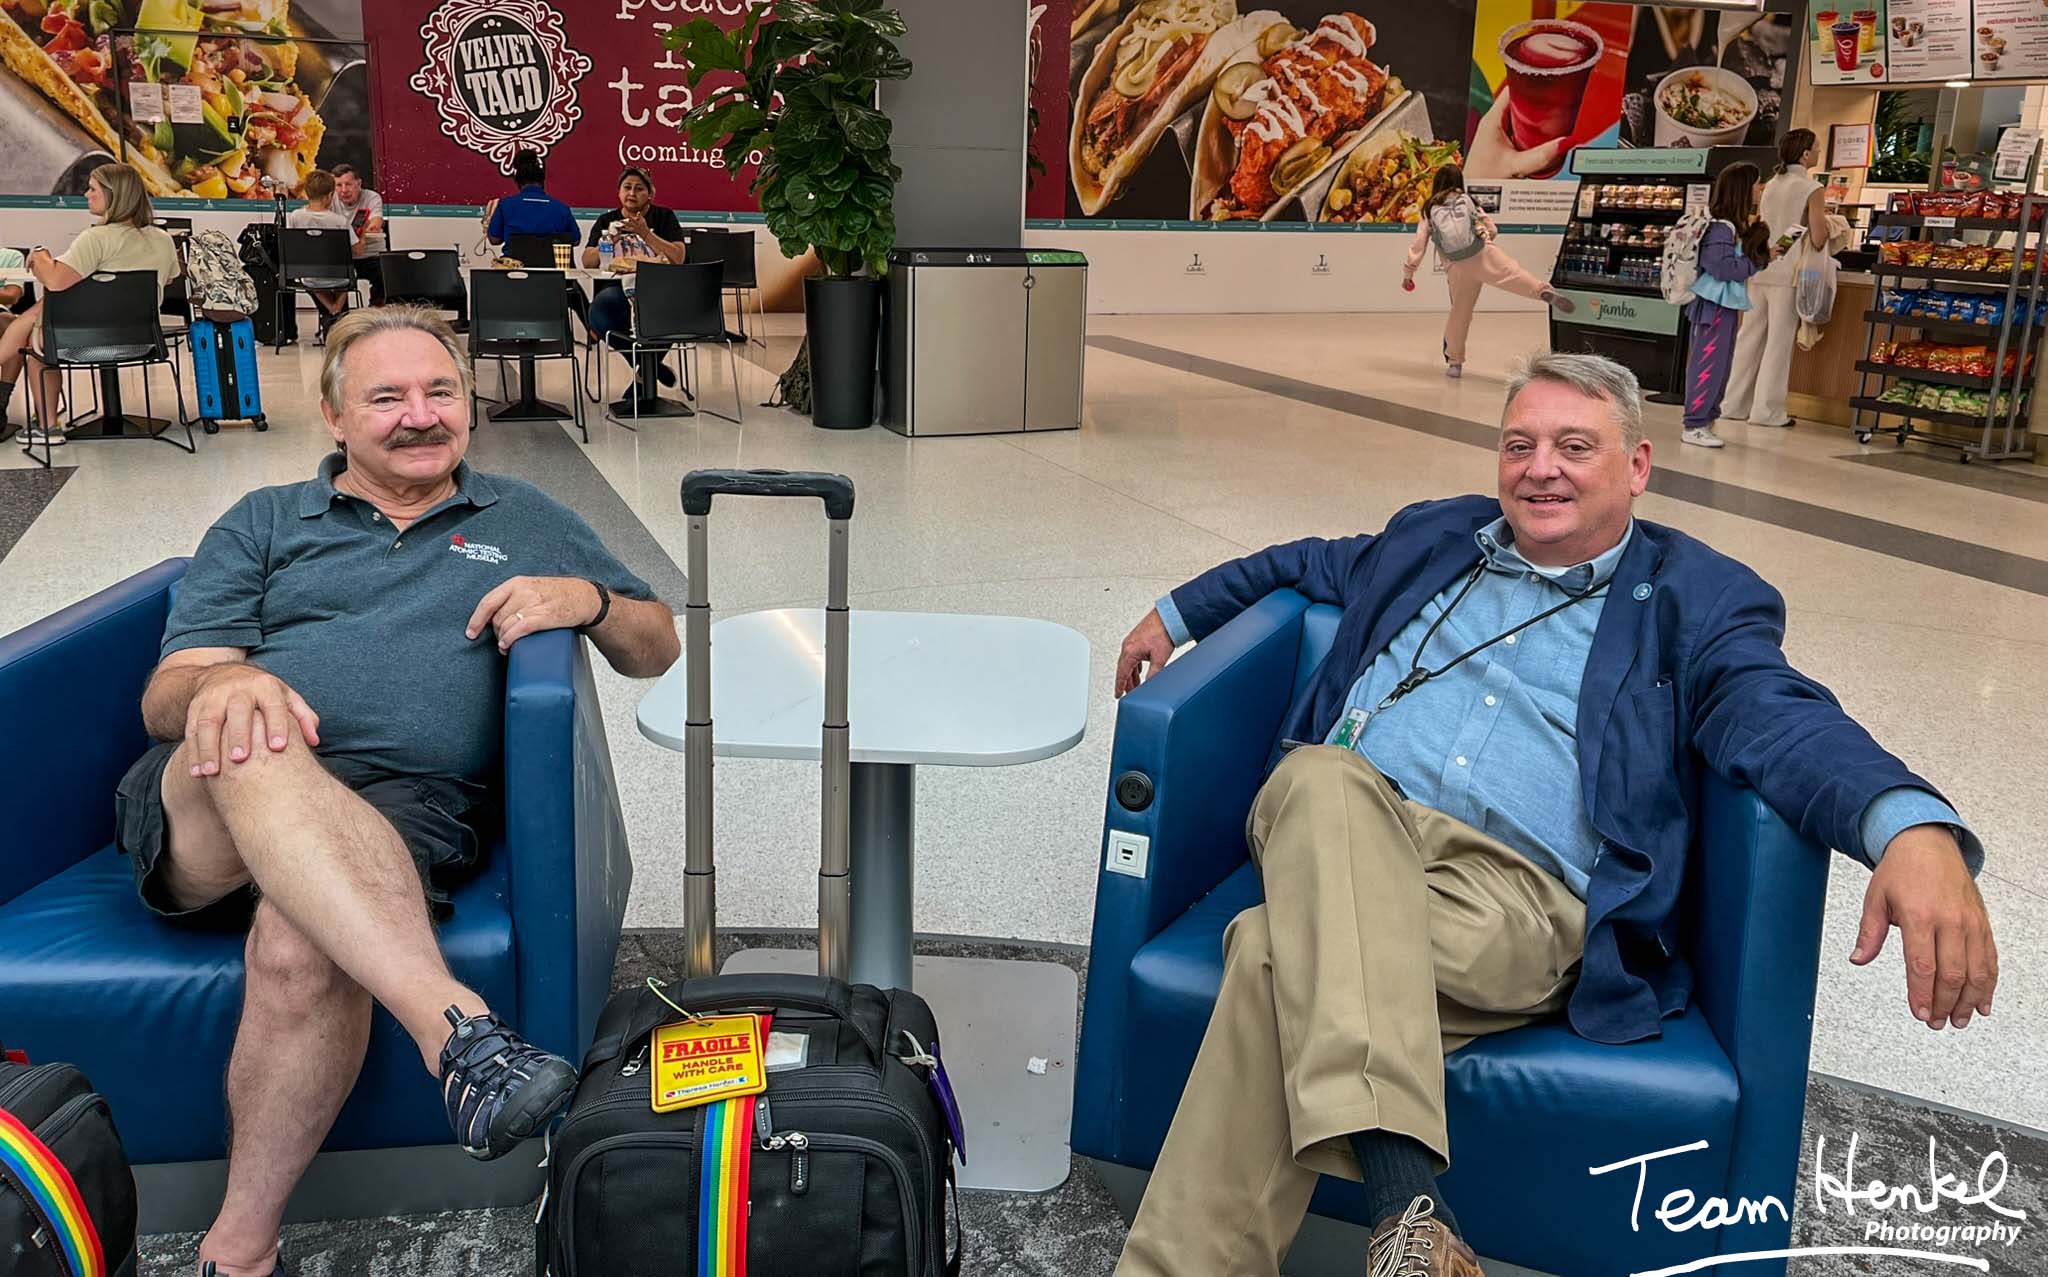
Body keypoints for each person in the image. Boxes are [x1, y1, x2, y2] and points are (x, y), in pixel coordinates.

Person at [1110, 351, 1995, 1277]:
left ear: (1638, 466)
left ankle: (1392, 1204)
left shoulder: (1696, 598)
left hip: (1513, 904)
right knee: (1323, 778)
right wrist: (1175, 613)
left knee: (1272, 949)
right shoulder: (1432, 535)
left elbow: (1781, 715)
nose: (1541, 469)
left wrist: (1906, 824)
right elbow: (1300, 563)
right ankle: (1407, 1209)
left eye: (1575, 446)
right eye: (1519, 445)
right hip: (1333, 830)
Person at [120, 306, 680, 1277]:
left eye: (440, 392)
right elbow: (167, 693)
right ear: (335, 416)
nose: (420, 415)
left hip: (402, 807)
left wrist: (588, 600)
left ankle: (237, 1250)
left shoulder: (523, 516)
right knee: (255, 725)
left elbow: (656, 645)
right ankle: (458, 1033)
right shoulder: (264, 520)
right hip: (215, 795)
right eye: (387, 397)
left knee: (303, 945)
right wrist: (226, 684)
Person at [0, 164, 180, 446]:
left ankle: (47, 427)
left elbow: (55, 280)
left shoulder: (96, 239)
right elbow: (168, 279)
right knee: (36, 317)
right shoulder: (163, 239)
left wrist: (40, 254)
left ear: (113, 194)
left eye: (93, 189)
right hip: (144, 341)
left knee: (38, 339)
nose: (86, 194)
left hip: (83, 344)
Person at [1402, 164, 1574, 379]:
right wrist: (1484, 242)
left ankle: (1455, 363)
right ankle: (1543, 291)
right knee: (1513, 274)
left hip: (1457, 265)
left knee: (1460, 313)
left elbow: (1418, 244)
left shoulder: (1430, 207)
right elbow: (1492, 229)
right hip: (1482, 252)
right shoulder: (1468, 200)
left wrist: (1409, 273)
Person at [1722, 130, 1828, 431]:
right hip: (1788, 275)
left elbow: (1767, 228)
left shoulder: (1770, 186)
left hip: (1760, 269)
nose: (1819, 153)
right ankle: (1767, 412)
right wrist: (1830, 226)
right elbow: (1818, 237)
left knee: (1748, 339)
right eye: (1817, 148)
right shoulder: (1812, 187)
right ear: (1805, 155)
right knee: (1778, 345)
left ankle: (1732, 405)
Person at [1680, 163, 1776, 449]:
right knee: (1708, 364)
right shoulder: (1722, 228)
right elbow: (1723, 268)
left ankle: (1704, 420)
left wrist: (1761, 255)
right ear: (1742, 189)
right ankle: (1695, 423)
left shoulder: (1729, 226)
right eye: (1757, 183)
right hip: (1714, 307)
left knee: (1719, 365)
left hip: (1723, 306)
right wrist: (1758, 259)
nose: (1760, 189)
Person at [582, 167, 689, 404]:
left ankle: (644, 375)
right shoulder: (607, 220)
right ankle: (648, 366)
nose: (632, 193)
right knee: (598, 310)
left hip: (658, 291)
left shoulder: (664, 217)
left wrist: (645, 234)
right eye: (627, 187)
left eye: (639, 188)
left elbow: (678, 257)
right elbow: (587, 261)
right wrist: (608, 241)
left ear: (650, 194)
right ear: (619, 192)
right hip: (616, 292)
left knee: (673, 310)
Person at [286, 168, 363, 330]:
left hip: (309, 277)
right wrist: (363, 236)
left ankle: (330, 308)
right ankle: (337, 308)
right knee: (349, 276)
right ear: (330, 195)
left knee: (311, 277)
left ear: (307, 193)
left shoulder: (295, 216)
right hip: (340, 278)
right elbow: (358, 250)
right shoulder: (339, 221)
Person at [486, 149, 578, 249]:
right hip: (550, 259)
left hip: (514, 259)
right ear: (542, 180)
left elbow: (494, 239)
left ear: (517, 181)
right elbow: (575, 240)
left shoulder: (505, 206)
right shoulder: (561, 208)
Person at [332, 164, 386, 254]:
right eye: (339, 185)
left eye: (348, 184)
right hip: (342, 254)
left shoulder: (372, 197)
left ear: (359, 183)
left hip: (372, 255)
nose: (344, 190)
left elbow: (375, 224)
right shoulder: (330, 199)